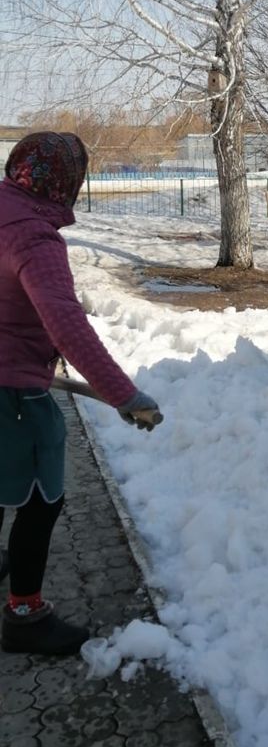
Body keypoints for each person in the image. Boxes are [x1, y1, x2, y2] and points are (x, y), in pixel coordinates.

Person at [0, 131, 159, 657]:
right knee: (44, 499)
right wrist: (124, 394)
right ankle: (24, 614)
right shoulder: (33, 238)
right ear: (68, 182)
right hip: (13, 393)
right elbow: (66, 322)